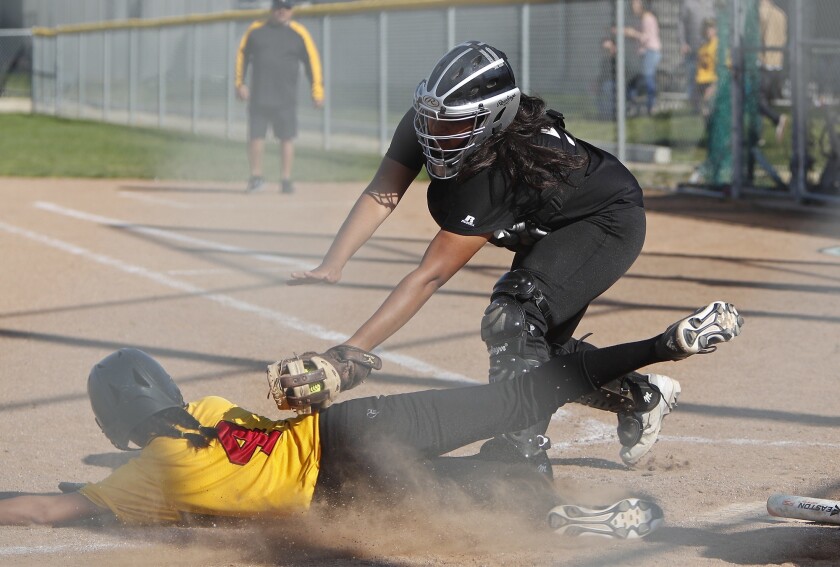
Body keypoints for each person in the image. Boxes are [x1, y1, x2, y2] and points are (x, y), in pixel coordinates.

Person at [0, 301, 744, 541]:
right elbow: (274, 427)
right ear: (160, 386)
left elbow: (39, 507)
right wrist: (337, 375)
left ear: (113, 423)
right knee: (519, 397)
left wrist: (89, 501)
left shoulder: (142, 478)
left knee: (493, 488)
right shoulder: (208, 409)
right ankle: (661, 345)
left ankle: (572, 515)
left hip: (340, 491)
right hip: (353, 429)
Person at [290, 40, 679, 475]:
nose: (433, 133)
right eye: (430, 120)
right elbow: (384, 192)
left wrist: (352, 353)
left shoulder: (497, 169)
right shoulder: (433, 121)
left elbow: (429, 275)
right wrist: (334, 261)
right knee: (538, 351)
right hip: (549, 226)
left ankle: (519, 462)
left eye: (450, 125)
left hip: (605, 223)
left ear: (490, 121)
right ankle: (639, 395)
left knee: (514, 320)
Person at [235, 0, 324, 194]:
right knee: (256, 136)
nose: (282, 11)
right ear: (272, 9)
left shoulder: (299, 33)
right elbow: (242, 56)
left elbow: (312, 62)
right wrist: (239, 83)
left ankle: (285, 179)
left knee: (287, 137)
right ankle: (256, 177)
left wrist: (317, 91)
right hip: (259, 95)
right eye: (278, 7)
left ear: (291, 11)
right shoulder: (256, 30)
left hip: (286, 98)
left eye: (286, 7)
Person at [623, 0, 662, 115]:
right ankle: (633, 104)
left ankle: (651, 105)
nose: (632, 6)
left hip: (650, 52)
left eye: (635, 4)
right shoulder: (642, 18)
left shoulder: (647, 18)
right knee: (637, 80)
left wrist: (632, 33)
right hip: (645, 53)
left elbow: (646, 38)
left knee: (647, 78)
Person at [757, 0, 788, 143]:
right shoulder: (781, 14)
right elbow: (784, 38)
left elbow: (758, 37)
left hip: (766, 63)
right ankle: (759, 135)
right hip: (778, 64)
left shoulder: (761, 12)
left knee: (757, 100)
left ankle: (777, 119)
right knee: (764, 100)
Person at [678, 0, 716, 113]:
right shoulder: (688, 3)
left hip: (708, 49)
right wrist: (682, 43)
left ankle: (708, 106)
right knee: (692, 78)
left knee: (710, 78)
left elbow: (714, 22)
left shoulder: (710, 3)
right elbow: (681, 23)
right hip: (692, 49)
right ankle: (694, 107)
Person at [696, 18, 719, 119]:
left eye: (711, 28)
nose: (708, 31)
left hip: (713, 81)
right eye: (706, 28)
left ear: (715, 30)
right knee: (704, 112)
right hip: (702, 81)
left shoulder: (718, 46)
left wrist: (715, 85)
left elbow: (723, 68)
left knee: (708, 106)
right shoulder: (703, 46)